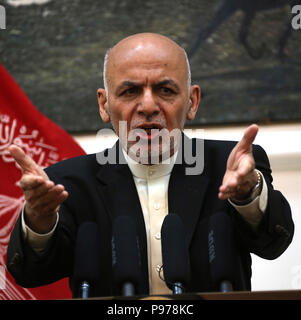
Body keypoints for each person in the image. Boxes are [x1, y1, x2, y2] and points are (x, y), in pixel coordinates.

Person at [7, 33, 294, 297]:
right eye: (130, 91)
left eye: (165, 90)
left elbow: (273, 244)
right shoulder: (68, 182)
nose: (148, 106)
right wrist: (40, 220)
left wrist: (247, 194)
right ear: (104, 105)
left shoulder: (233, 166)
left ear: (192, 101)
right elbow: (31, 274)